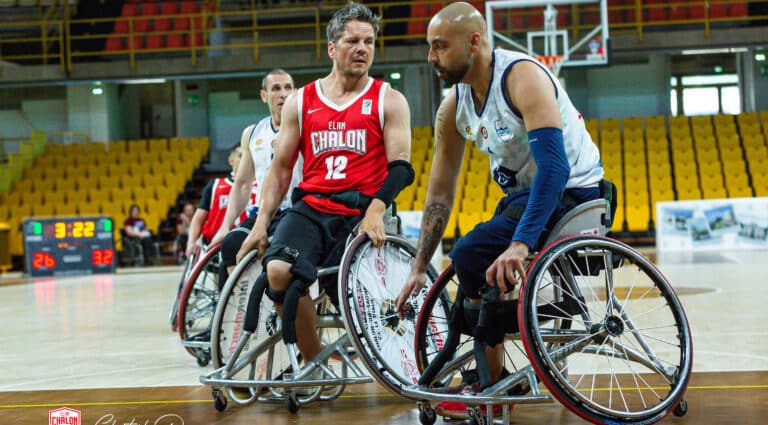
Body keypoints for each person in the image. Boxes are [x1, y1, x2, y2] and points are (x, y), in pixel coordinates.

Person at [393, 2, 605, 419]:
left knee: (473, 254)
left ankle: (493, 361)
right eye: (428, 47)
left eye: (439, 47)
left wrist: (521, 244)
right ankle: (492, 374)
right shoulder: (453, 106)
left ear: (474, 41)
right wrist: (419, 265)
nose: (430, 58)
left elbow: (556, 168)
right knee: (472, 267)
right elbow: (439, 193)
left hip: (572, 191)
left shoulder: (521, 77)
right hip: (525, 196)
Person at [240, 1, 414, 371]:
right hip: (312, 208)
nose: (362, 48)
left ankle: (394, 359)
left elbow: (400, 169)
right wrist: (260, 222)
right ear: (332, 48)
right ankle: (312, 359)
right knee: (278, 271)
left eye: (369, 41)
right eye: (353, 41)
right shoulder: (301, 101)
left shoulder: (389, 99)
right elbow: (281, 168)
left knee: (354, 294)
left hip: (361, 210)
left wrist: (377, 209)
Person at [209, 68, 301, 289]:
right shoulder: (252, 133)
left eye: (288, 88)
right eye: (276, 88)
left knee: (277, 258)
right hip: (266, 214)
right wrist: (224, 226)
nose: (283, 94)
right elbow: (241, 184)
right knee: (230, 244)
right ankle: (243, 311)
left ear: (296, 92)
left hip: (297, 211)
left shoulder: (306, 126)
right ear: (264, 96)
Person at [184, 144, 254, 260]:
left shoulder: (259, 186)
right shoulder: (215, 185)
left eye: (248, 156)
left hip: (247, 249)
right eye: (241, 156)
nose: (245, 160)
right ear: (231, 160)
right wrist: (191, 243)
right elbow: (198, 219)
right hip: (212, 247)